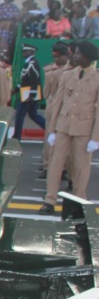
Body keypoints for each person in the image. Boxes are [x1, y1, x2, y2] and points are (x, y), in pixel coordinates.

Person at [40, 40, 99, 214]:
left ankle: (79, 199)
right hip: (63, 126)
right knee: (55, 163)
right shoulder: (67, 75)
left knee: (81, 167)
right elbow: (57, 103)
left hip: (84, 128)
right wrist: (51, 130)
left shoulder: (96, 78)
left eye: (79, 53)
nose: (75, 56)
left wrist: (96, 138)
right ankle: (50, 199)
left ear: (87, 57)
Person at [40, 41, 72, 173]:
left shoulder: (51, 72)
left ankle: (49, 165)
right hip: (63, 109)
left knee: (52, 137)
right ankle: (56, 166)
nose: (57, 59)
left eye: (59, 57)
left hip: (54, 107)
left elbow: (46, 93)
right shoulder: (69, 72)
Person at [11, 43, 46, 141]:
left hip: (29, 94)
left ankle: (17, 136)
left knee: (19, 114)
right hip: (28, 93)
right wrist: (16, 89)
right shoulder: (28, 62)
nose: (23, 53)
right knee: (33, 115)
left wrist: (32, 94)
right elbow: (25, 81)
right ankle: (49, 129)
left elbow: (34, 80)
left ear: (31, 52)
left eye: (25, 51)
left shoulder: (32, 63)